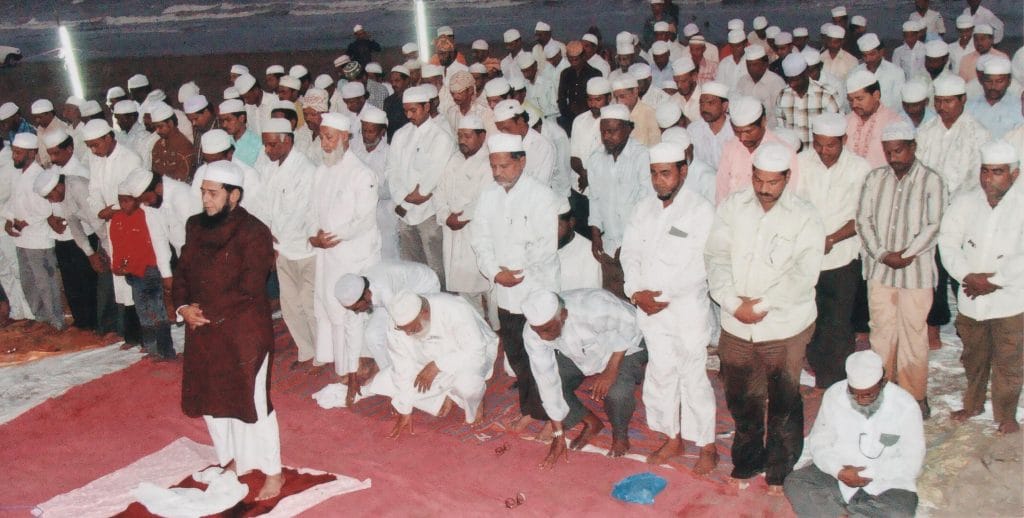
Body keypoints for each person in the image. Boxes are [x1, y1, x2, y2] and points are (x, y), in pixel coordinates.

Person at [705, 141, 824, 493]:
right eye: (758, 179)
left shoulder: (805, 216)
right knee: (742, 397)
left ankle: (779, 469)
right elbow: (715, 257)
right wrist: (732, 302)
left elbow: (804, 274)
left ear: (787, 178)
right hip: (736, 323)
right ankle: (747, 461)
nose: (764, 188)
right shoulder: (733, 207)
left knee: (784, 398)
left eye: (772, 182)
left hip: (783, 324)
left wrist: (760, 306)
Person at [174, 159, 283, 500]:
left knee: (254, 402)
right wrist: (183, 307)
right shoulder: (195, 225)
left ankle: (274, 472)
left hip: (243, 330)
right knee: (212, 400)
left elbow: (250, 287)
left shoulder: (254, 232)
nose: (206, 199)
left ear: (234, 195)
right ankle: (233, 460)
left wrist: (203, 313)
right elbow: (183, 271)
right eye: (203, 192)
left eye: (213, 193)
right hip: (204, 328)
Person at [620, 141, 718, 473]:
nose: (658, 180)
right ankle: (672, 437)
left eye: (665, 173)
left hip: (685, 309)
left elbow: (701, 265)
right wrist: (636, 292)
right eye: (654, 173)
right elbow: (630, 253)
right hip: (649, 310)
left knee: (693, 376)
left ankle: (707, 445)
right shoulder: (642, 209)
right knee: (661, 373)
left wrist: (659, 296)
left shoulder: (700, 211)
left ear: (683, 171)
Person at [471, 133, 560, 433]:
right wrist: (495, 272)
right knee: (517, 354)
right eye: (493, 166)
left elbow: (544, 245)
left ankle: (553, 416)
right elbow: (480, 239)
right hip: (505, 289)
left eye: (504, 166)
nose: (497, 173)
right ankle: (531, 409)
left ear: (521, 162)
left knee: (543, 356)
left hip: (536, 286)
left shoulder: (541, 195)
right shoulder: (488, 196)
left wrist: (515, 272)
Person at [856, 121, 946, 419]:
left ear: (913, 147)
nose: (893, 157)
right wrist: (883, 254)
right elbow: (863, 220)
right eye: (888, 152)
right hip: (881, 270)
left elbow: (934, 225)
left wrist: (906, 255)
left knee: (913, 335)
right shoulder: (874, 179)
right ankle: (882, 390)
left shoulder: (932, 180)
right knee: (881, 332)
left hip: (916, 272)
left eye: (899, 151)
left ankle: (914, 396)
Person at [940, 141, 1022, 434]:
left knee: (1009, 360)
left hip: (1011, 299)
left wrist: (994, 281)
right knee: (973, 357)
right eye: (985, 171)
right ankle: (973, 404)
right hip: (971, 294)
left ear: (1014, 174)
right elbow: (948, 242)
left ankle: (1006, 414)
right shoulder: (966, 201)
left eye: (997, 172)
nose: (988, 179)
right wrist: (968, 275)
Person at [784, 350, 925, 518]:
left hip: (887, 483)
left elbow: (912, 460)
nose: (860, 400)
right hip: (839, 476)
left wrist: (868, 474)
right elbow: (819, 442)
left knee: (898, 512)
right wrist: (838, 471)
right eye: (854, 393)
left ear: (883, 383)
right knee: (796, 483)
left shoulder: (905, 405)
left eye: (868, 394)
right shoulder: (834, 395)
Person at [522, 288, 646, 465]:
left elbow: (631, 324)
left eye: (547, 329)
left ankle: (620, 435)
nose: (543, 336)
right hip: (581, 353)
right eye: (538, 331)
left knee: (617, 393)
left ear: (563, 315)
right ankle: (591, 422)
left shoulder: (595, 306)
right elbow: (546, 380)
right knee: (543, 385)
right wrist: (558, 434)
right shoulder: (533, 334)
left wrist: (611, 370)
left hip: (625, 345)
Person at [795, 114, 871, 389]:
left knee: (838, 324)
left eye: (831, 145)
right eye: (819, 144)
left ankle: (835, 382)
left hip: (843, 256)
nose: (824, 151)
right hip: (807, 256)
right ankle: (819, 374)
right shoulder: (801, 162)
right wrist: (810, 240)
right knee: (812, 319)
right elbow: (794, 205)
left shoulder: (860, 168)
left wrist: (832, 239)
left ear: (844, 140)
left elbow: (862, 214)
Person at [916, 75, 990, 346]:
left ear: (963, 100)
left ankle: (970, 331)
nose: (942, 107)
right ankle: (933, 328)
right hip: (931, 214)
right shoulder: (926, 131)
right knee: (932, 274)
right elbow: (919, 171)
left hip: (965, 215)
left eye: (949, 101)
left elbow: (976, 179)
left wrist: (953, 207)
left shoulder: (978, 133)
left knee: (964, 273)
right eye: (938, 101)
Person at [370, 290, 497, 438]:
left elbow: (475, 351)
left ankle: (474, 401)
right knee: (384, 381)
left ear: (424, 313)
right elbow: (402, 367)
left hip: (468, 357)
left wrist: (437, 365)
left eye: (413, 329)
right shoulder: (396, 324)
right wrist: (405, 409)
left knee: (468, 385)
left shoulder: (454, 308)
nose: (408, 334)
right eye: (404, 330)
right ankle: (447, 395)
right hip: (425, 360)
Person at [309, 113, 380, 377]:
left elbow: (364, 219)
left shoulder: (362, 173)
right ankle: (336, 361)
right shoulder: (321, 171)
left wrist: (333, 236)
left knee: (348, 312)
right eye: (322, 138)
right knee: (327, 304)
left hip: (353, 254)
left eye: (329, 138)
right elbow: (311, 210)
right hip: (326, 253)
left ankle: (353, 368)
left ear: (345, 138)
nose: (325, 144)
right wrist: (313, 235)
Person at [333, 260, 441, 406]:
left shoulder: (385, 291)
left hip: (423, 287)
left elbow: (402, 332)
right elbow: (352, 338)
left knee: (412, 334)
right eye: (353, 310)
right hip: (399, 293)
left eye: (357, 308)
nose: (357, 312)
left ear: (366, 295)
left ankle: (422, 378)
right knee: (372, 335)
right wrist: (353, 377)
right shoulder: (357, 295)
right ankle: (391, 379)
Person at [259, 118, 318, 368]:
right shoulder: (268, 169)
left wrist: (276, 236)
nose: (267, 150)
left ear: (288, 141)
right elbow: (263, 205)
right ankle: (306, 351)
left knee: (310, 304)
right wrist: (268, 234)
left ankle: (322, 354)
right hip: (281, 249)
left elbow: (301, 212)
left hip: (305, 249)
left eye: (272, 145)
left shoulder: (305, 169)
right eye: (265, 145)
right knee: (290, 305)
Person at [40, 129, 110, 332]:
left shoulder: (79, 175)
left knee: (91, 283)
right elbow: (68, 216)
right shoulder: (55, 175)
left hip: (93, 233)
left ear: (69, 149)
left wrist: (98, 250)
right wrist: (50, 216)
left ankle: (99, 325)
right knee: (73, 284)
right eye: (50, 154)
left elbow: (95, 220)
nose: (53, 159)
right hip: (69, 235)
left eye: (56, 153)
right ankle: (83, 323)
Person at [387, 86, 455, 288]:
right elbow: (391, 170)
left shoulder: (441, 137)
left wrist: (413, 198)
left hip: (429, 212)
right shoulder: (400, 135)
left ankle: (441, 302)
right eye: (406, 110)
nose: (409, 115)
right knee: (411, 267)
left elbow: (432, 178)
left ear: (427, 107)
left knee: (436, 266)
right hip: (405, 212)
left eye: (413, 110)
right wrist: (403, 198)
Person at [585, 104, 651, 299]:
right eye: (603, 132)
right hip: (609, 244)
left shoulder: (641, 156)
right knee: (613, 300)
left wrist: (630, 242)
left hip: (637, 245)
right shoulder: (596, 159)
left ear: (628, 129)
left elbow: (646, 203)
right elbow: (594, 199)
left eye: (613, 131)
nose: (607, 137)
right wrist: (595, 234)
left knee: (637, 297)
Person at [109, 169, 174, 359]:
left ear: (137, 200)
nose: (124, 205)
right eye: (120, 201)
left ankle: (166, 351)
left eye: (127, 200)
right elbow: (116, 245)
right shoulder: (117, 220)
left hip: (149, 271)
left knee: (158, 310)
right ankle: (152, 349)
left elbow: (152, 246)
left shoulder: (147, 216)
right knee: (142, 311)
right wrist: (117, 265)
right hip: (133, 274)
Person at [3, 133, 64, 330]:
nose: (14, 156)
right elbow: (13, 201)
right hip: (21, 239)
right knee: (28, 282)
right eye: (14, 152)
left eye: (18, 153)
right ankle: (41, 319)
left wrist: (25, 222)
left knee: (45, 282)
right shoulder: (18, 174)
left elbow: (46, 208)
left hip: (39, 239)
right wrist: (9, 220)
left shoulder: (40, 175)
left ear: (32, 153)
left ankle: (56, 322)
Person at [435, 115, 492, 314]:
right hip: (452, 230)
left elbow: (485, 197)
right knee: (464, 292)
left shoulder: (488, 162)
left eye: (468, 136)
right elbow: (439, 192)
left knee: (485, 288)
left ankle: (494, 329)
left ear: (482, 136)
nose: (462, 141)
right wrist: (445, 216)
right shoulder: (454, 160)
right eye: (460, 136)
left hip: (473, 230)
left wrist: (460, 218)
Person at [715, 96, 799, 203]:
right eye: (737, 132)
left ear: (763, 122)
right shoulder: (730, 147)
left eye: (748, 132)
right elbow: (721, 191)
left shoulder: (785, 152)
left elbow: (789, 197)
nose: (742, 138)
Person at [776, 53, 841, 147]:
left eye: (796, 80)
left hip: (818, 154)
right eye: (790, 80)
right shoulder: (783, 96)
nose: (792, 84)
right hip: (792, 152)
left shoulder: (827, 95)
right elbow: (781, 130)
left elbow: (837, 130)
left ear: (806, 73)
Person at [845, 71, 903, 168]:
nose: (854, 105)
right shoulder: (845, 122)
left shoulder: (894, 122)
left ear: (876, 95)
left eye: (859, 99)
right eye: (851, 100)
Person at [967, 58, 1023, 139]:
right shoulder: (969, 106)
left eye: (999, 81)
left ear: (1009, 81)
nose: (993, 86)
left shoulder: (1019, 107)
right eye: (988, 81)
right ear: (982, 81)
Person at [853, 34, 907, 113]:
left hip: (889, 117)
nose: (868, 59)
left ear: (881, 52)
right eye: (864, 55)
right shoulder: (855, 73)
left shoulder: (896, 72)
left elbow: (898, 105)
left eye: (872, 54)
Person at [736, 46, 786, 129]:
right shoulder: (743, 81)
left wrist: (761, 130)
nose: (751, 68)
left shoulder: (776, 82)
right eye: (749, 65)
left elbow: (778, 115)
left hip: (770, 130)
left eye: (755, 65)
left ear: (765, 64)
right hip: (745, 129)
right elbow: (738, 107)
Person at [556, 198, 601, 291]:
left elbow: (591, 295)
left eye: (557, 226)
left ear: (571, 222)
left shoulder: (589, 252)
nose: (551, 231)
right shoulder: (541, 246)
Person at [557, 41, 602, 131]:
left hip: (590, 117)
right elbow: (561, 98)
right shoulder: (565, 73)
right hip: (569, 118)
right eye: (570, 60)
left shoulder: (595, 73)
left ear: (583, 56)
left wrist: (585, 111)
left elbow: (599, 99)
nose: (573, 63)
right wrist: (567, 112)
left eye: (576, 60)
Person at [688, 81, 733, 170]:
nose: (704, 108)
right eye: (701, 103)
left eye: (710, 103)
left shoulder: (735, 130)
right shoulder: (693, 129)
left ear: (724, 106)